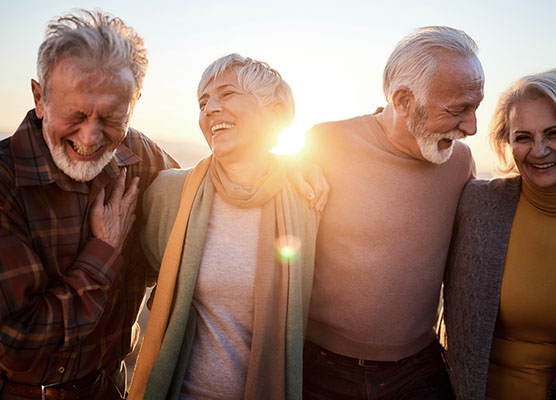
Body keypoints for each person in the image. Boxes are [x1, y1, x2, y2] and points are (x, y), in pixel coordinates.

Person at [0, 9, 179, 400]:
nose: (92, 136)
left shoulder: (141, 157)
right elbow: (15, 342)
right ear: (39, 98)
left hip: (112, 388)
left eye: (112, 116)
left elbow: (210, 195)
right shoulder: (4, 185)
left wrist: (288, 176)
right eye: (76, 113)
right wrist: (105, 252)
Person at [301, 26, 484, 399]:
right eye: (457, 110)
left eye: (475, 108)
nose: (471, 127)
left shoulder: (460, 162)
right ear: (403, 101)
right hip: (320, 371)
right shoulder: (325, 143)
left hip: (417, 373)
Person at [128, 54, 320, 400]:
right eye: (203, 102)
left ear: (274, 112)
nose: (210, 109)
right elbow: (133, 277)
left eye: (227, 95)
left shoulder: (308, 200)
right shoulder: (170, 194)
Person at [444, 68, 556, 399]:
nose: (539, 150)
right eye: (523, 137)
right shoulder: (474, 203)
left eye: (555, 133)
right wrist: (307, 169)